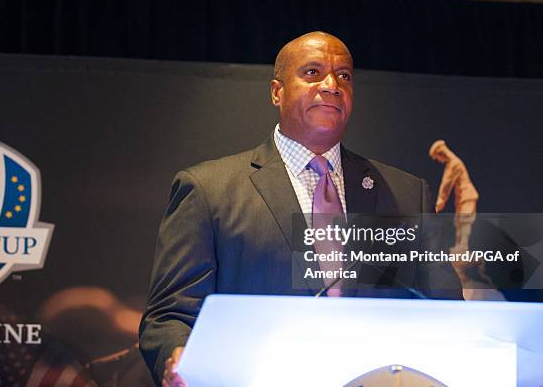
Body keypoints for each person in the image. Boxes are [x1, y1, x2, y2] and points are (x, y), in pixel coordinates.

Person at [138, 31, 462, 386]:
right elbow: (170, 316)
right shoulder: (209, 190)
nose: (332, 85)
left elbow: (445, 313)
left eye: (344, 75)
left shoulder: (406, 194)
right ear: (277, 91)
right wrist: (177, 356)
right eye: (312, 73)